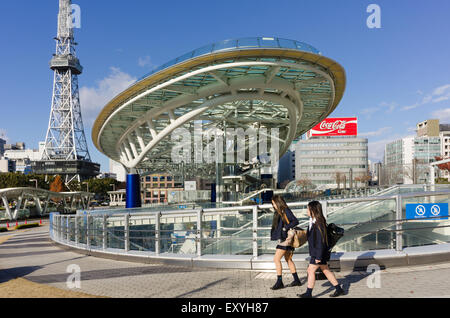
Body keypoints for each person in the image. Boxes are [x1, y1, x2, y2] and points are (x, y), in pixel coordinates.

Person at [298, 201, 345, 298]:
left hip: (318, 253)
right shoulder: (314, 221)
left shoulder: (319, 223)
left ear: (313, 210)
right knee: (325, 270)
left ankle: (308, 293)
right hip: (318, 252)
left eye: (308, 209)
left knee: (310, 270)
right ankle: (339, 289)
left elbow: (321, 241)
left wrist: (318, 256)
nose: (306, 210)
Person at [270, 195, 302, 290]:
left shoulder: (285, 210)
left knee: (276, 259)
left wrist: (285, 228)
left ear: (278, 202)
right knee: (288, 260)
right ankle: (297, 280)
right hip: (285, 239)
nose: (273, 205)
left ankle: (279, 282)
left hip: (286, 240)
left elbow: (295, 221)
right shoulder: (279, 212)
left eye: (274, 203)